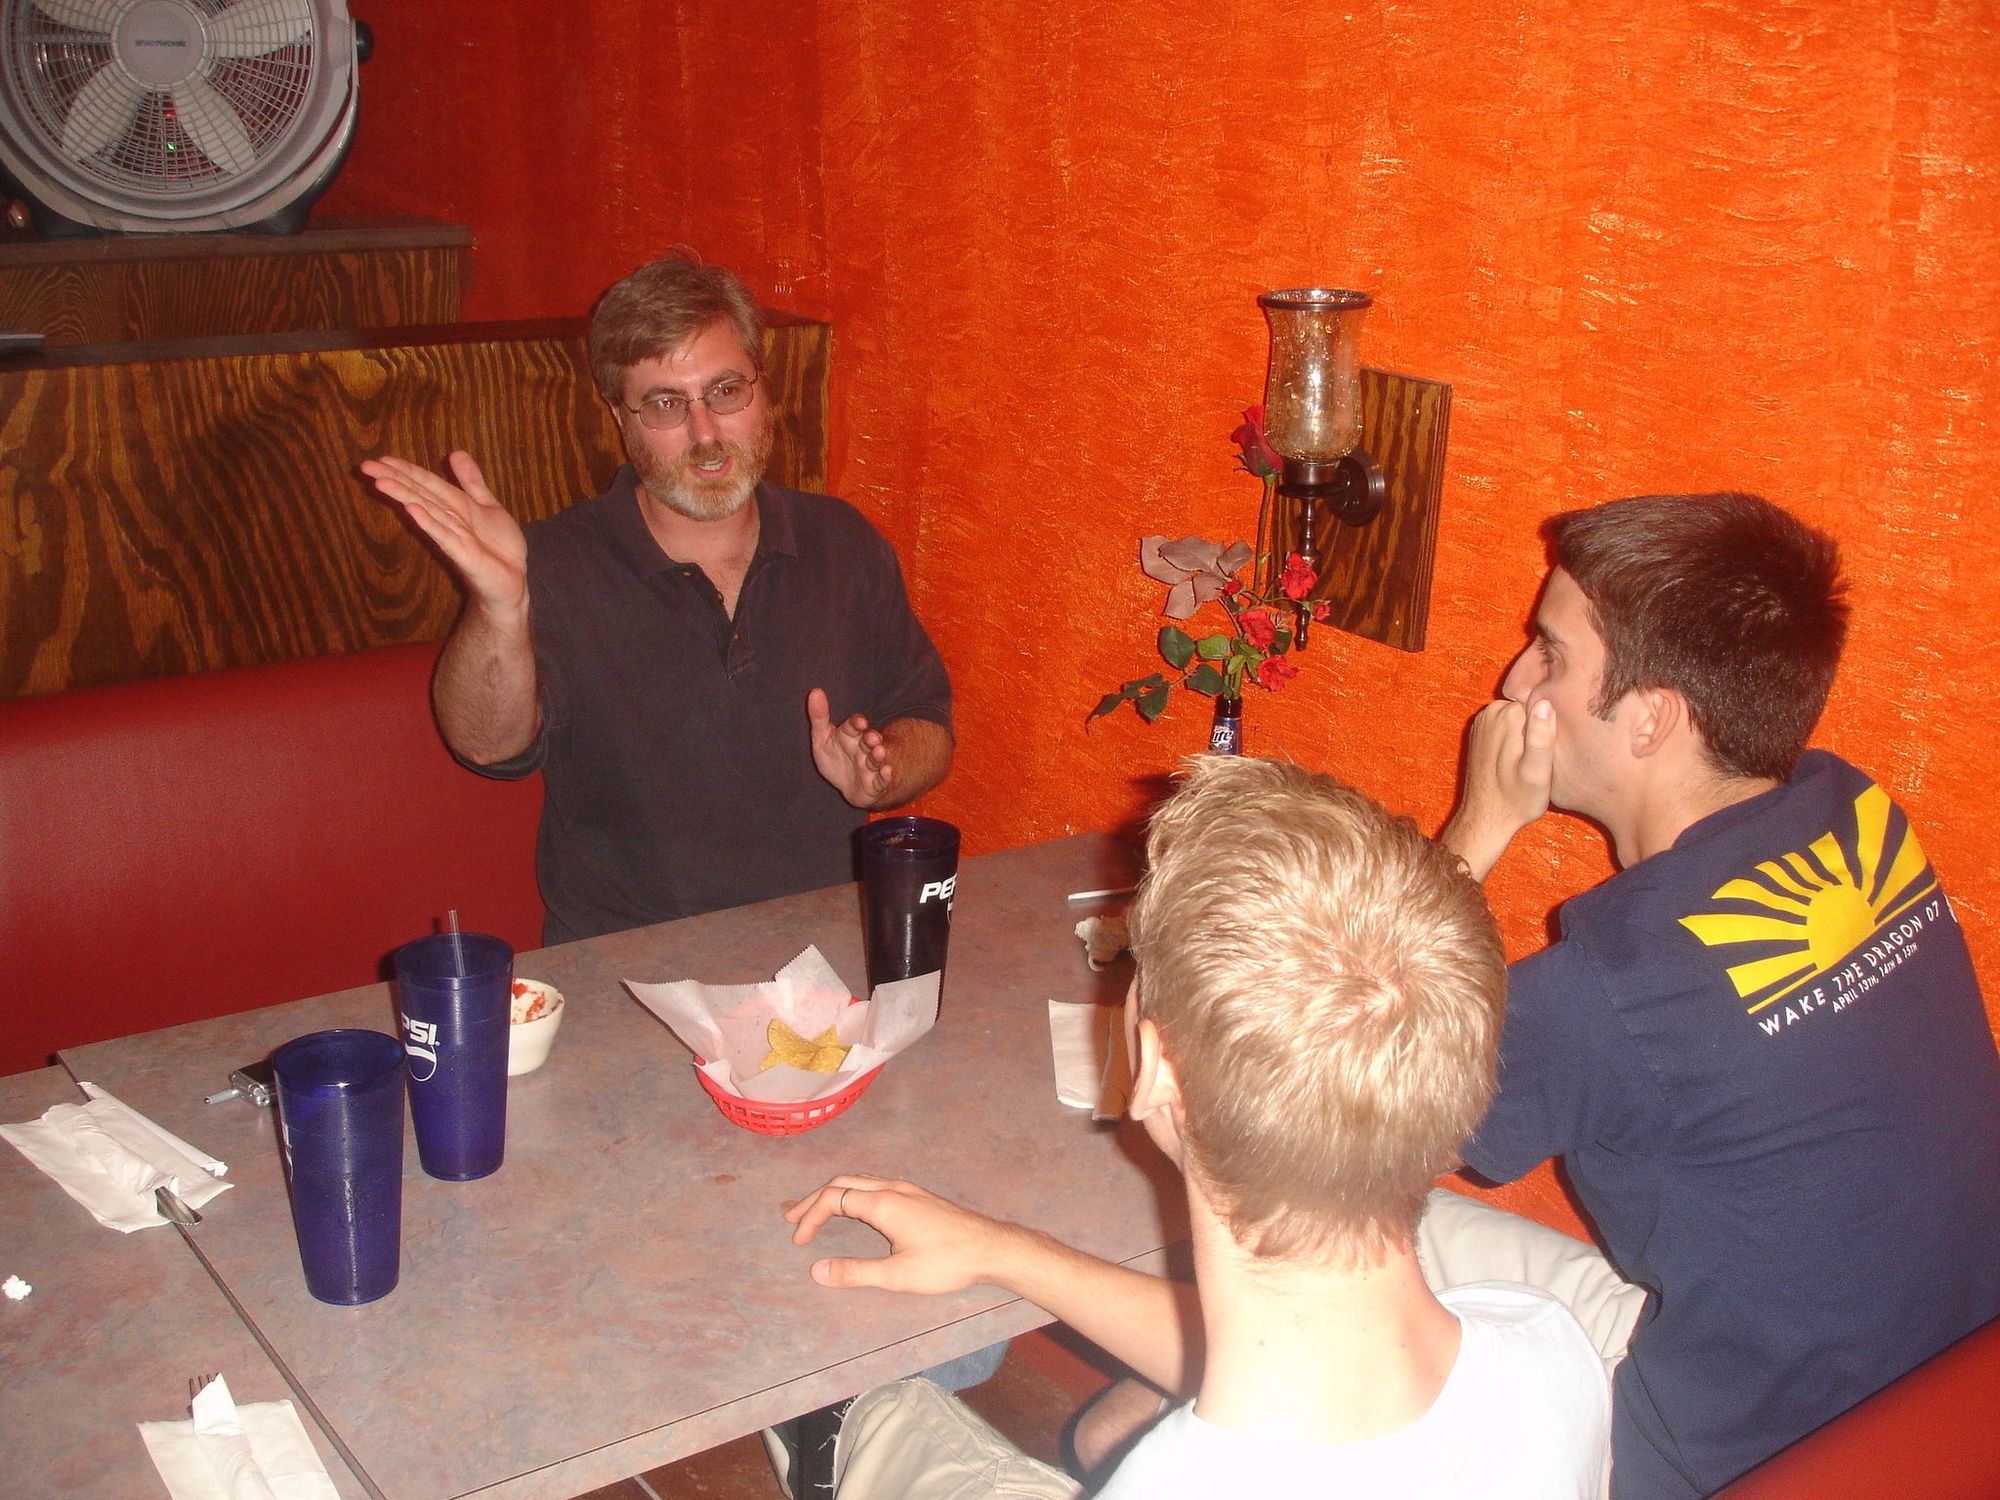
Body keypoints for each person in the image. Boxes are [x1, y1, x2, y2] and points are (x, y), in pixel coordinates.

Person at [785, 756, 1611, 1499]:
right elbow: (1287, 1346)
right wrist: (1007, 1251)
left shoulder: (1165, 1482)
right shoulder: (1544, 1337)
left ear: (1154, 1069)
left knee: (864, 1408)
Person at [1436, 492, 2000, 1497]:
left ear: (1652, 717)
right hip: (1954, 1412)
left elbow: (1336, 1114)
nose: (1513, 683)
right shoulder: (1859, 818)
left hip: (1742, 1463)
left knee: (1337, 1251)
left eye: (1550, 654)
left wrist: (1475, 830)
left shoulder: (1614, 990)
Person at [362, 251, 953, 944]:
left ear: (763, 391)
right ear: (620, 416)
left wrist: (881, 771)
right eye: (667, 405)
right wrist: (498, 606)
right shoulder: (553, 563)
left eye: (726, 391)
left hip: (819, 954)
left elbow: (928, 726)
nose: (706, 435)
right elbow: (485, 746)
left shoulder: (842, 542)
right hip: (624, 962)